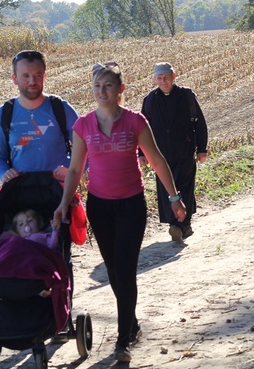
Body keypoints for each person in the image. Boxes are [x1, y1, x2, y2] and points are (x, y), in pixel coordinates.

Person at [53, 62, 186, 363]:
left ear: (120, 90)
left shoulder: (135, 122)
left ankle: (123, 339)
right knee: (113, 270)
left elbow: (157, 160)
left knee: (125, 270)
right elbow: (75, 168)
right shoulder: (83, 125)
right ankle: (133, 322)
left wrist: (175, 197)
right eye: (97, 86)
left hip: (131, 205)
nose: (102, 91)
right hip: (100, 206)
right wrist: (63, 203)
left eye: (108, 86)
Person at [140, 62, 208, 243]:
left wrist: (202, 149)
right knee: (166, 191)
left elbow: (199, 124)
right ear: (154, 79)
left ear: (174, 76)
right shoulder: (150, 100)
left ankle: (180, 225)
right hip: (159, 156)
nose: (163, 81)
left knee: (185, 188)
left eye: (166, 78)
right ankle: (177, 225)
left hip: (184, 152)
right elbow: (141, 130)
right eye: (159, 78)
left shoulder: (186, 96)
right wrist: (141, 153)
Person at [0, 50, 79, 184]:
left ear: (44, 76)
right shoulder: (4, 113)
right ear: (14, 79)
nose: (32, 81)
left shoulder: (62, 109)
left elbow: (87, 149)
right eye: (25, 76)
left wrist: (72, 171)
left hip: (59, 194)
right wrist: (4, 173)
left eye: (38, 75)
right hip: (20, 193)